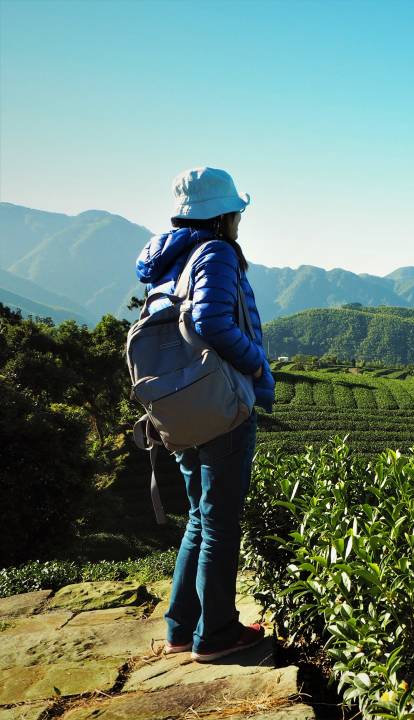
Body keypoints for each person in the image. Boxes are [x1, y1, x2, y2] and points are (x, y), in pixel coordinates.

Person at [135, 166, 276, 662]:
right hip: (218, 404)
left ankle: (181, 627)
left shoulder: (167, 258)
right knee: (219, 523)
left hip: (179, 405)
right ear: (223, 215)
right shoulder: (215, 251)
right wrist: (256, 364)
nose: (240, 219)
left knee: (199, 516)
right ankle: (216, 634)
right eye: (236, 211)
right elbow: (209, 319)